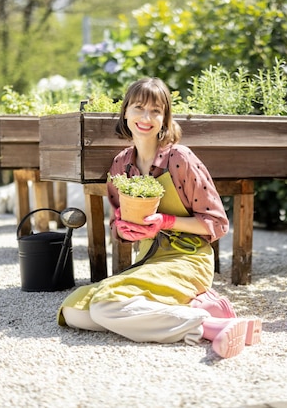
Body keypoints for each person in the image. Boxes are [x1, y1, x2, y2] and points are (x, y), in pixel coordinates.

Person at [57, 77, 261, 358]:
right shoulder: (120, 165)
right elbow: (116, 224)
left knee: (104, 307)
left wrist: (166, 221)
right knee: (73, 312)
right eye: (139, 108)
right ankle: (197, 309)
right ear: (125, 112)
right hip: (150, 260)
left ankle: (211, 327)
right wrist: (124, 231)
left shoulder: (180, 159)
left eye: (155, 110)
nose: (146, 117)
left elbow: (217, 223)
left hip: (188, 259)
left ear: (165, 118)